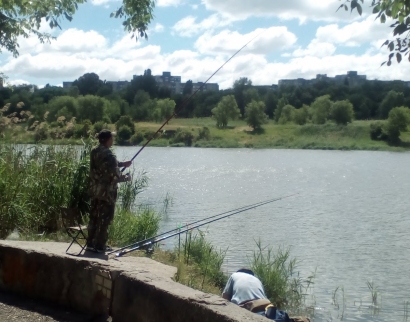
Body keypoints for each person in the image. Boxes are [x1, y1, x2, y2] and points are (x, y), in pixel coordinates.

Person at [86, 129, 132, 253]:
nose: (113, 140)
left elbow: (106, 165)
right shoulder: (110, 155)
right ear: (107, 140)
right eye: (112, 138)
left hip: (95, 191)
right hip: (106, 194)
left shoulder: (94, 151)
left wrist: (122, 163)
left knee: (94, 217)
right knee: (105, 218)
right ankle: (100, 245)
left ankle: (90, 243)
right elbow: (115, 175)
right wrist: (127, 177)